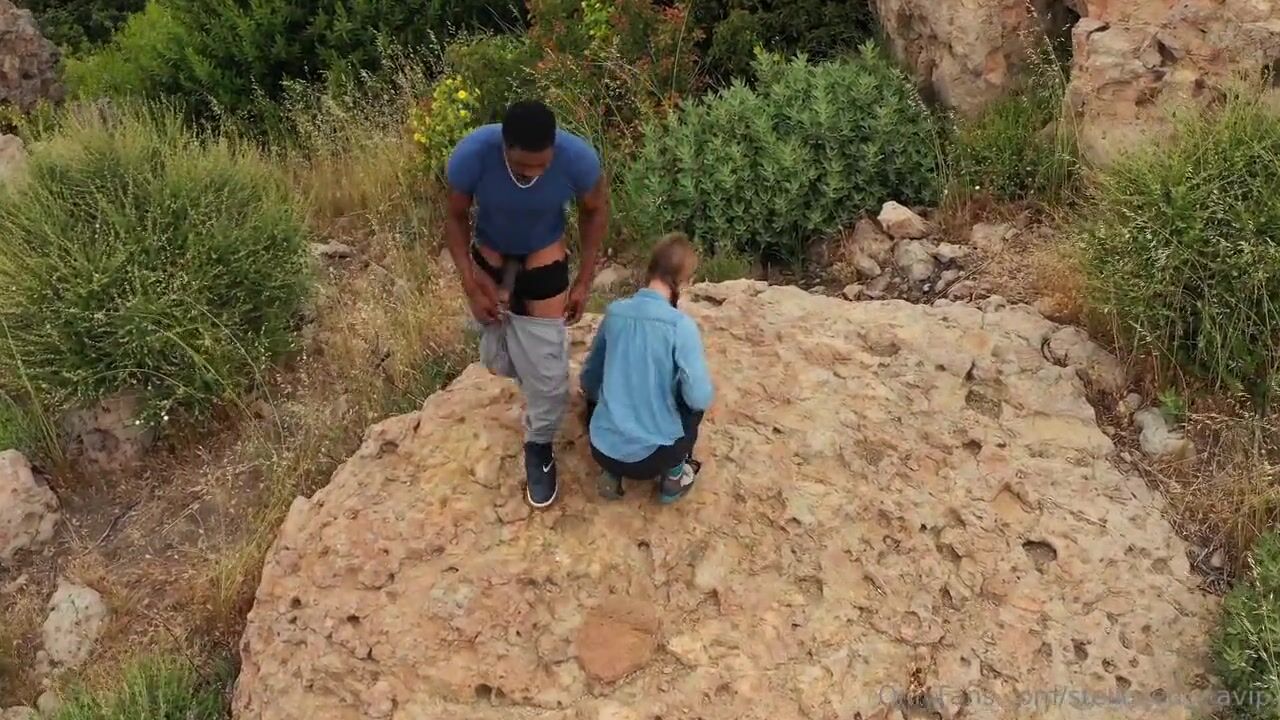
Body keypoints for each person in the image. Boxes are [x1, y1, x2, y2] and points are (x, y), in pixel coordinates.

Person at [444, 100, 608, 509]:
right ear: (504, 147)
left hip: (543, 252)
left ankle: (539, 445)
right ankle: (523, 362)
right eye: (521, 168)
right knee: (498, 358)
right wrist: (469, 282)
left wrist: (583, 281)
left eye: (542, 167)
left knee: (548, 374)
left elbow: (594, 211)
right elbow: (454, 216)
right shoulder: (473, 154)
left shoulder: (578, 160)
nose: (533, 174)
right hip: (490, 255)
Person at [580, 233, 713, 504]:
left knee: (603, 388)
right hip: (654, 458)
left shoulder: (615, 313)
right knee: (693, 403)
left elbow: (589, 379)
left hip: (602, 448)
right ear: (682, 282)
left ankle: (611, 475)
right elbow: (699, 398)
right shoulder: (680, 326)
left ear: (650, 270)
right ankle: (673, 479)